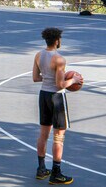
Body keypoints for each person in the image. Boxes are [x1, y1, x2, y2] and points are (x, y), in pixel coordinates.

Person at [32, 27, 82, 184]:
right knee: (59, 137)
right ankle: (56, 173)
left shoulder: (38, 55)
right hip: (56, 98)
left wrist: (47, 77)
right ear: (57, 41)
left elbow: (35, 78)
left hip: (43, 96)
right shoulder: (59, 59)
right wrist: (74, 81)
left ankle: (41, 170)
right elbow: (61, 84)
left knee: (43, 134)